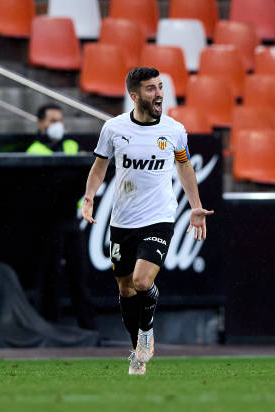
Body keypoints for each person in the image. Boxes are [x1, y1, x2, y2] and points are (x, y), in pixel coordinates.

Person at [81, 67, 213, 375]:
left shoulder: (174, 130)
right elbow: (100, 167)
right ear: (134, 96)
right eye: (151, 89)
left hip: (159, 218)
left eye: (160, 87)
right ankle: (137, 350)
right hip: (122, 221)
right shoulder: (113, 129)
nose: (159, 94)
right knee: (126, 290)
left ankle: (146, 334)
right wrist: (89, 196)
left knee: (142, 281)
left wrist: (195, 205)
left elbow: (184, 167)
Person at [29, 104, 98, 332]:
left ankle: (88, 328)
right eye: (51, 120)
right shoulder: (34, 152)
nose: (56, 125)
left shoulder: (71, 146)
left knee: (79, 275)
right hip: (46, 223)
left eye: (59, 120)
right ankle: (53, 327)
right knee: (52, 277)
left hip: (70, 220)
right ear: (40, 124)